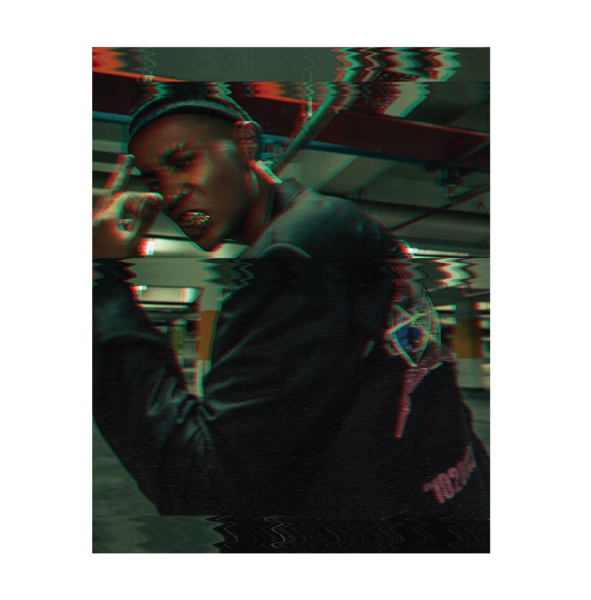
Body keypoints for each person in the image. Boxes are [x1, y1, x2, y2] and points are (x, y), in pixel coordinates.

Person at [93, 94, 490, 519]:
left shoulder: (286, 258)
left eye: (184, 161)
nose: (170, 194)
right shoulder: (335, 218)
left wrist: (104, 283)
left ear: (245, 143)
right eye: (155, 181)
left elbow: (202, 483)